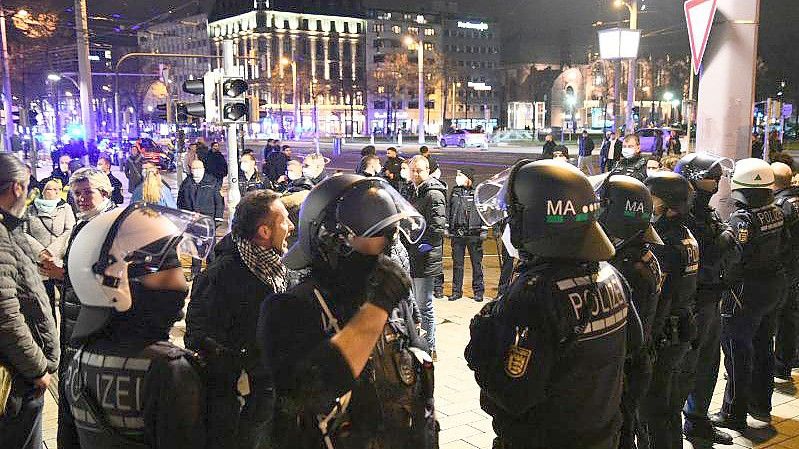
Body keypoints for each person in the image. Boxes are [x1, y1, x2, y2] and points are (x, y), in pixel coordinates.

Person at [258, 175, 436, 449]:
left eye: (392, 234)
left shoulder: (391, 300)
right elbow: (306, 391)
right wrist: (377, 308)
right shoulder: (290, 308)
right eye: (377, 235)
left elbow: (416, 383)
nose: (388, 246)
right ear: (334, 241)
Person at [465, 159, 628, 449]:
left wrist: (482, 347)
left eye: (512, 215)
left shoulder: (534, 295)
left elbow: (513, 395)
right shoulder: (610, 274)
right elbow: (634, 349)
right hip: (601, 434)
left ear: (533, 220)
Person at [61, 203, 212, 449]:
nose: (183, 288)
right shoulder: (169, 369)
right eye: (165, 278)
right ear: (118, 289)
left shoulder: (77, 362)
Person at [186, 190, 293, 448]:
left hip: (271, 394)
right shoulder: (221, 275)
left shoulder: (279, 268)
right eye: (284, 221)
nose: (290, 226)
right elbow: (199, 338)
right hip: (241, 404)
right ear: (264, 232)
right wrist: (246, 364)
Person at [712, 158, 786, 430]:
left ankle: (733, 412)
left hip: (745, 292)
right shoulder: (776, 211)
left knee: (736, 351)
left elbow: (734, 258)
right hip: (773, 287)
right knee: (764, 346)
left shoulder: (742, 218)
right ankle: (761, 405)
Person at [50, 167, 117, 449]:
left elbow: (110, 279)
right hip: (76, 325)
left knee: (87, 407)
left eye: (87, 192)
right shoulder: (85, 222)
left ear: (104, 191)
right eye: (76, 193)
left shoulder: (112, 225)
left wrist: (62, 273)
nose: (81, 198)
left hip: (95, 330)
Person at [670, 154, 735, 445]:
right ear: (693, 181)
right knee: (686, 367)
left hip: (711, 300)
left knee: (708, 364)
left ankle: (697, 420)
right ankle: (679, 420)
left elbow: (729, 254)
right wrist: (721, 243)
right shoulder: (679, 219)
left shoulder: (706, 214)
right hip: (691, 305)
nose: (717, 182)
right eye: (712, 177)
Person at [598, 175, 664, 449]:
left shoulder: (623, 265)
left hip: (624, 368)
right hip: (638, 361)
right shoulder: (642, 253)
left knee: (621, 434)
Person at [0, 153, 59, 449]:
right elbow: (6, 314)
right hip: (15, 378)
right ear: (17, 188)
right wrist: (37, 368)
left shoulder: (9, 229)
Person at [639, 171, 699, 449]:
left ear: (669, 205)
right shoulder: (686, 235)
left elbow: (660, 298)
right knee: (668, 409)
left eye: (653, 200)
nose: (648, 206)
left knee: (654, 412)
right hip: (682, 330)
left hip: (665, 336)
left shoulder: (664, 244)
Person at [407, 155, 447, 359]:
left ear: (428, 170)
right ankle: (417, 342)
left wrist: (424, 245)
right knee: (413, 304)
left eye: (419, 170)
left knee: (424, 304)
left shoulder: (433, 194)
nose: (415, 174)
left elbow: (437, 228)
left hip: (426, 257)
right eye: (412, 170)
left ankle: (430, 347)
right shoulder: (410, 190)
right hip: (412, 255)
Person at [23, 178, 76, 318]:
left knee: (66, 303)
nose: (56, 192)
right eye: (51, 189)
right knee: (45, 304)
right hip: (39, 261)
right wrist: (41, 252)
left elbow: (70, 230)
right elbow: (24, 232)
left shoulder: (65, 208)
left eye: (57, 189)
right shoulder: (30, 209)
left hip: (59, 260)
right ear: (42, 191)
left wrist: (51, 251)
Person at [772, 162, 799, 381]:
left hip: (784, 269)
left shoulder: (781, 206)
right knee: (790, 318)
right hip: (794, 268)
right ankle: (785, 363)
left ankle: (778, 364)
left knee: (776, 318)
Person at [178, 159, 224, 278]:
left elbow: (219, 201)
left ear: (203, 169)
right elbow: (181, 201)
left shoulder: (212, 182)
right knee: (194, 247)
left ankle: (212, 271)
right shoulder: (186, 183)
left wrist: (218, 218)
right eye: (194, 169)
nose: (196, 171)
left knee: (210, 247)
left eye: (198, 169)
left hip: (208, 219)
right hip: (192, 220)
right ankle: (195, 272)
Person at [448, 168, 486, 302]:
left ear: (468, 178)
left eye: (460, 175)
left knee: (476, 264)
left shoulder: (477, 193)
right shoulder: (455, 192)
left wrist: (484, 230)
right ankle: (456, 291)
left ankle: (478, 291)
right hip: (458, 234)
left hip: (474, 235)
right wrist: (449, 227)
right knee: (457, 265)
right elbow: (449, 209)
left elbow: (483, 213)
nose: (457, 177)